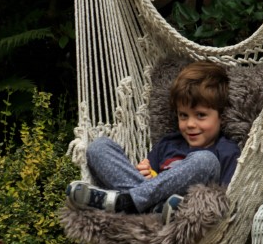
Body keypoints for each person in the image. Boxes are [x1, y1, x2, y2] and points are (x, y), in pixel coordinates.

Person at [66, 61, 240, 223]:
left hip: (186, 215)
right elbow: (148, 182)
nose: (190, 124)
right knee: (98, 147)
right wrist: (145, 172)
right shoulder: (168, 144)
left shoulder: (226, 151)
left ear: (221, 116)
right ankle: (139, 206)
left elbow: (224, 200)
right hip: (156, 210)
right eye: (183, 115)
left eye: (201, 115)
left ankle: (125, 202)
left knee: (205, 160)